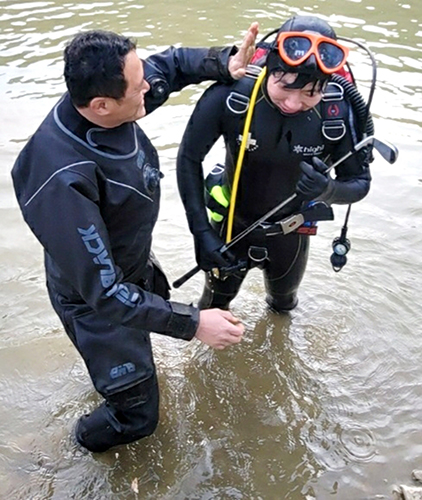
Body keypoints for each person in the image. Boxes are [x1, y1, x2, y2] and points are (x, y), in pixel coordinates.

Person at [11, 26, 259, 453]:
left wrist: (224, 62)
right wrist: (195, 323)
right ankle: (61, 449)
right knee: (138, 418)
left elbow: (171, 64)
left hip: (130, 263)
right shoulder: (61, 180)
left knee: (136, 367)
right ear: (102, 105)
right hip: (96, 301)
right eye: (138, 83)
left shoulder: (113, 102)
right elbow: (104, 293)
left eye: (141, 72)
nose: (149, 84)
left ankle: (110, 384)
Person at [176, 15, 373, 313]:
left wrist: (326, 189)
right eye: (284, 86)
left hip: (290, 235)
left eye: (310, 93)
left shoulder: (337, 112)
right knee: (211, 309)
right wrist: (201, 232)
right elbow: (189, 158)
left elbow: (360, 183)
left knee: (283, 308)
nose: (294, 103)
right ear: (269, 67)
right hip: (230, 227)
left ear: (326, 84)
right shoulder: (232, 96)